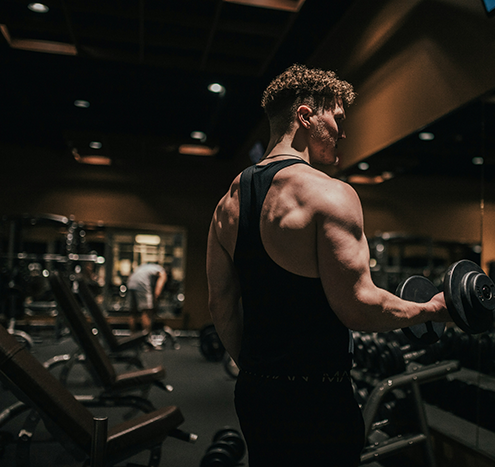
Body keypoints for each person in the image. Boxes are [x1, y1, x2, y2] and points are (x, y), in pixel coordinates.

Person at [206, 64, 450, 466]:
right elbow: (358, 306)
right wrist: (431, 309)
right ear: (305, 117)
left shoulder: (226, 205)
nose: (343, 131)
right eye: (337, 119)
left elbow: (220, 305)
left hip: (255, 397)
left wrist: (256, 371)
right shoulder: (330, 195)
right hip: (317, 402)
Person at [126, 262, 167, 334]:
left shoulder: (144, 267)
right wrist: (157, 295)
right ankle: (146, 337)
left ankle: (132, 336)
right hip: (142, 284)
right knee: (146, 311)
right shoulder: (160, 269)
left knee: (133, 312)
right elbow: (161, 280)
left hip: (131, 283)